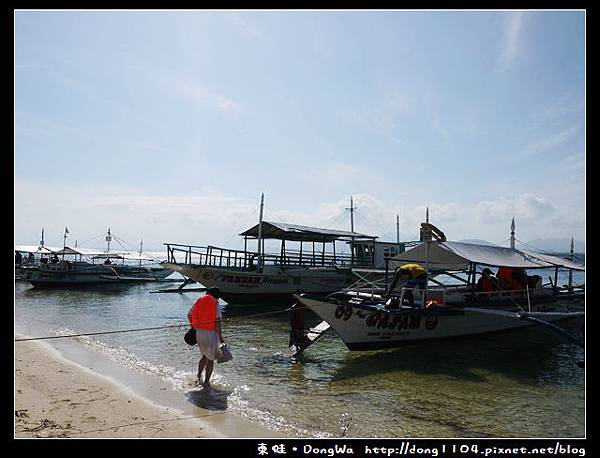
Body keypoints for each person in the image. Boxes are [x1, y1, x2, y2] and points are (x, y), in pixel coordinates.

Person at [187, 287, 224, 388]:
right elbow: (217, 322)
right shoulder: (215, 303)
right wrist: (220, 337)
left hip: (199, 332)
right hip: (210, 334)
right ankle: (206, 382)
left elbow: (189, 315)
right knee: (211, 359)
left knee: (204, 355)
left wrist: (193, 327)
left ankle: (199, 376)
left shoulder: (199, 301)